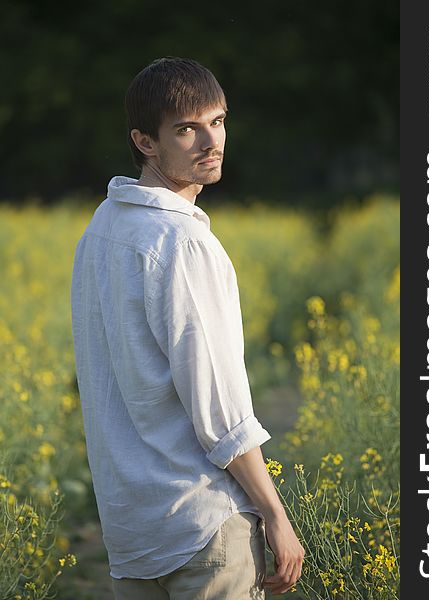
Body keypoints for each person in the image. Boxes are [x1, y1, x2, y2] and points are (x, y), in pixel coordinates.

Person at [71, 56, 305, 599]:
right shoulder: (183, 243)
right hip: (204, 527)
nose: (210, 141)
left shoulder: (101, 230)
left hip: (132, 531)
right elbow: (219, 407)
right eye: (186, 129)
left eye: (217, 121)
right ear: (145, 142)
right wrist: (276, 515)